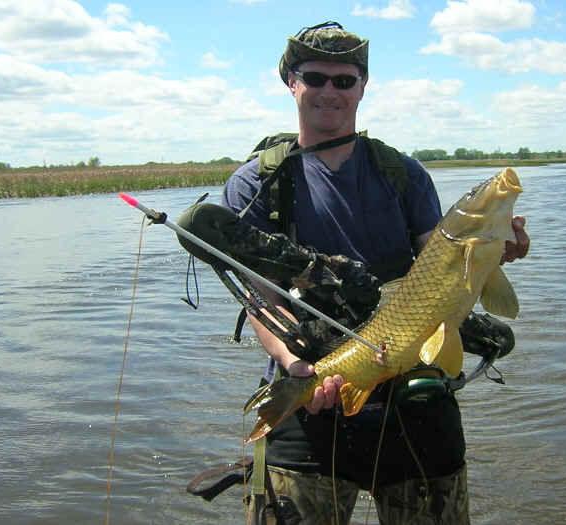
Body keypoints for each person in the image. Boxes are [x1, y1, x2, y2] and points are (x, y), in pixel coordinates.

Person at [221, 21, 529, 524]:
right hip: (308, 399)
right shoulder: (255, 184)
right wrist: (293, 364)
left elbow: (441, 268)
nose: (330, 91)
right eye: (315, 77)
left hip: (415, 393)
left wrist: (495, 254)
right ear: (291, 82)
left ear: (363, 87)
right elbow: (260, 300)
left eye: (344, 80)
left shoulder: (403, 173)